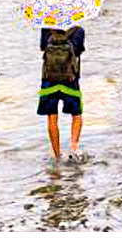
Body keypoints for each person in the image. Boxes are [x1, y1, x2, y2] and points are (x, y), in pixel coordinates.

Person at [38, 26, 86, 162]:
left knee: (52, 117)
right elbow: (78, 50)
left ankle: (56, 154)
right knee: (76, 114)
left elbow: (43, 48)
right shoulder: (78, 30)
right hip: (70, 79)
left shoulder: (46, 29)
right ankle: (74, 147)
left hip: (49, 80)